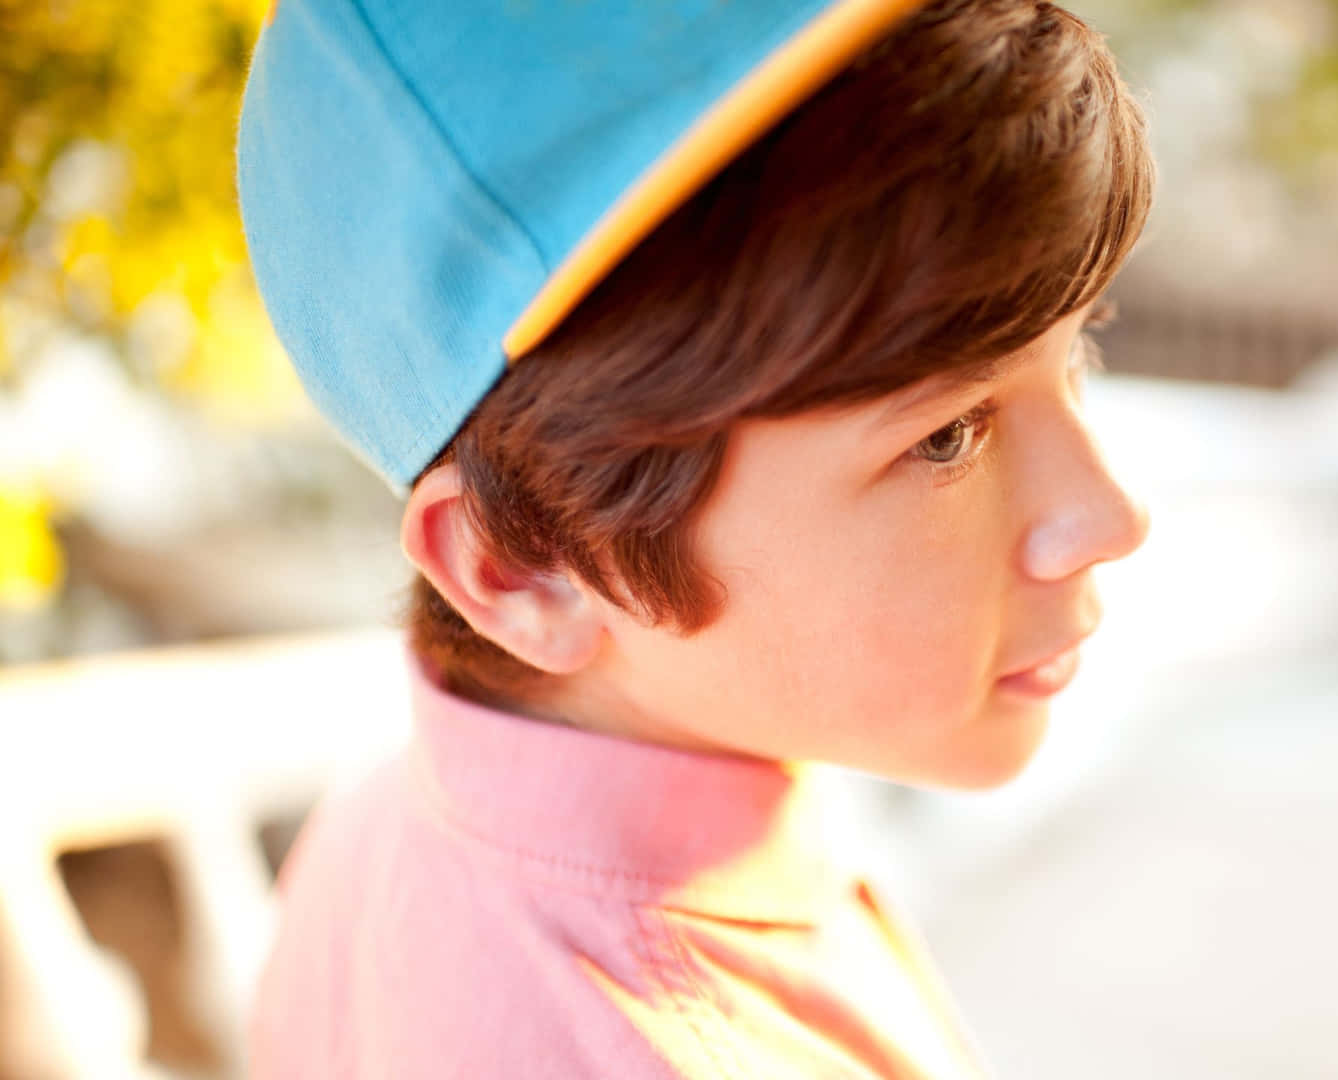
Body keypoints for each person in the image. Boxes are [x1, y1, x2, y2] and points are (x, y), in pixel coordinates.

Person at [236, 0, 1155, 1074]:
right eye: (947, 435)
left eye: (1077, 346)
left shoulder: (401, 823)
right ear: (527, 564)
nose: (1111, 517)